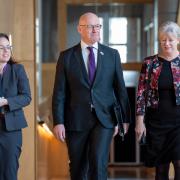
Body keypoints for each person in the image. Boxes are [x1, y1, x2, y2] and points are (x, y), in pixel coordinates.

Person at [52, 12, 131, 180]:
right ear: (80, 29)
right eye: (90, 26)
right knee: (78, 167)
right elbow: (59, 92)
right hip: (75, 120)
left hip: (104, 119)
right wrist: (58, 122)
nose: (95, 30)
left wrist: (124, 119)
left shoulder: (112, 55)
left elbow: (120, 89)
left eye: (98, 26)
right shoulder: (66, 57)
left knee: (98, 161)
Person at [135, 21, 180, 180]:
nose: (166, 43)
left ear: (178, 40)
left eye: (170, 39)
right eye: (163, 40)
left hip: (178, 123)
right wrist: (139, 120)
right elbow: (141, 93)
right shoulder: (150, 63)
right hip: (157, 123)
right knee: (161, 170)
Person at [0, 33, 31, 180]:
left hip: (10, 129)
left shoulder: (17, 70)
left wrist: (6, 102)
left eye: (8, 47)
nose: (6, 51)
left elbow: (26, 97)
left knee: (9, 171)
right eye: (1, 48)